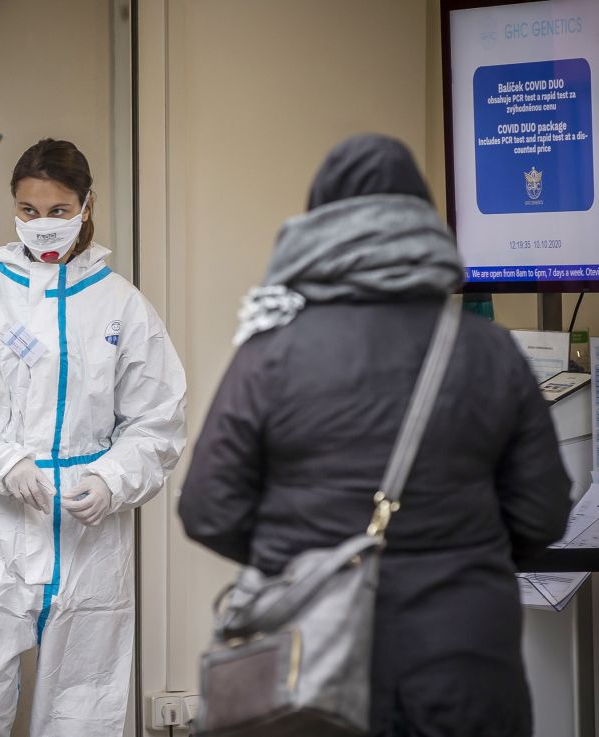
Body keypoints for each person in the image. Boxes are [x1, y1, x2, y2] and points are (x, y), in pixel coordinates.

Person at [179, 134, 572, 737]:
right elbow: (543, 513)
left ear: (318, 228)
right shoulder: (489, 349)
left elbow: (208, 509)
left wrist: (309, 562)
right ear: (422, 225)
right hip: (464, 660)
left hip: (311, 669)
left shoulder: (273, 350)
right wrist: (462, 560)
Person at [0, 138, 187, 736]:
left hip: (88, 530)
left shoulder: (122, 308)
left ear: (86, 206)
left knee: (82, 712)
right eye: (28, 211)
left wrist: (112, 479)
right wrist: (0, 462)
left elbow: (158, 419)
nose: (41, 225)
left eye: (57, 210)